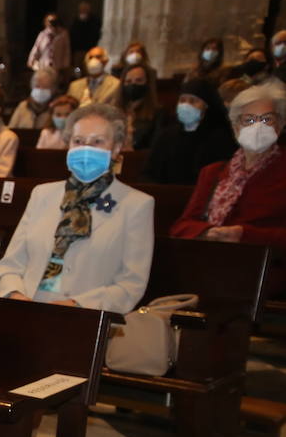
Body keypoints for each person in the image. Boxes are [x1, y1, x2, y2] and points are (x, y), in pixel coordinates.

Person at [0, 102, 153, 313]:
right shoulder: (43, 194)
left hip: (86, 318)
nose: (86, 148)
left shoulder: (136, 204)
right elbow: (11, 264)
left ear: (115, 148)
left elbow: (131, 284)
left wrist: (77, 306)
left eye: (97, 142)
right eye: (78, 141)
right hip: (27, 311)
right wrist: (14, 294)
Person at [170, 84, 286, 294]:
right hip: (205, 269)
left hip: (260, 279)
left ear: (279, 125)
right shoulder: (212, 173)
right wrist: (207, 232)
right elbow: (181, 226)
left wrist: (245, 235)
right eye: (248, 120)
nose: (257, 126)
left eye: (267, 119)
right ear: (235, 127)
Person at [141, 78, 237, 185]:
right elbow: (149, 173)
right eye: (182, 100)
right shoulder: (166, 136)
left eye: (193, 101)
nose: (186, 105)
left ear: (206, 106)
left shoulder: (220, 138)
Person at [120, 63, 160, 150]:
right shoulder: (114, 111)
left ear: (147, 83)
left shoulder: (158, 114)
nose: (133, 85)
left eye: (138, 80)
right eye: (128, 81)